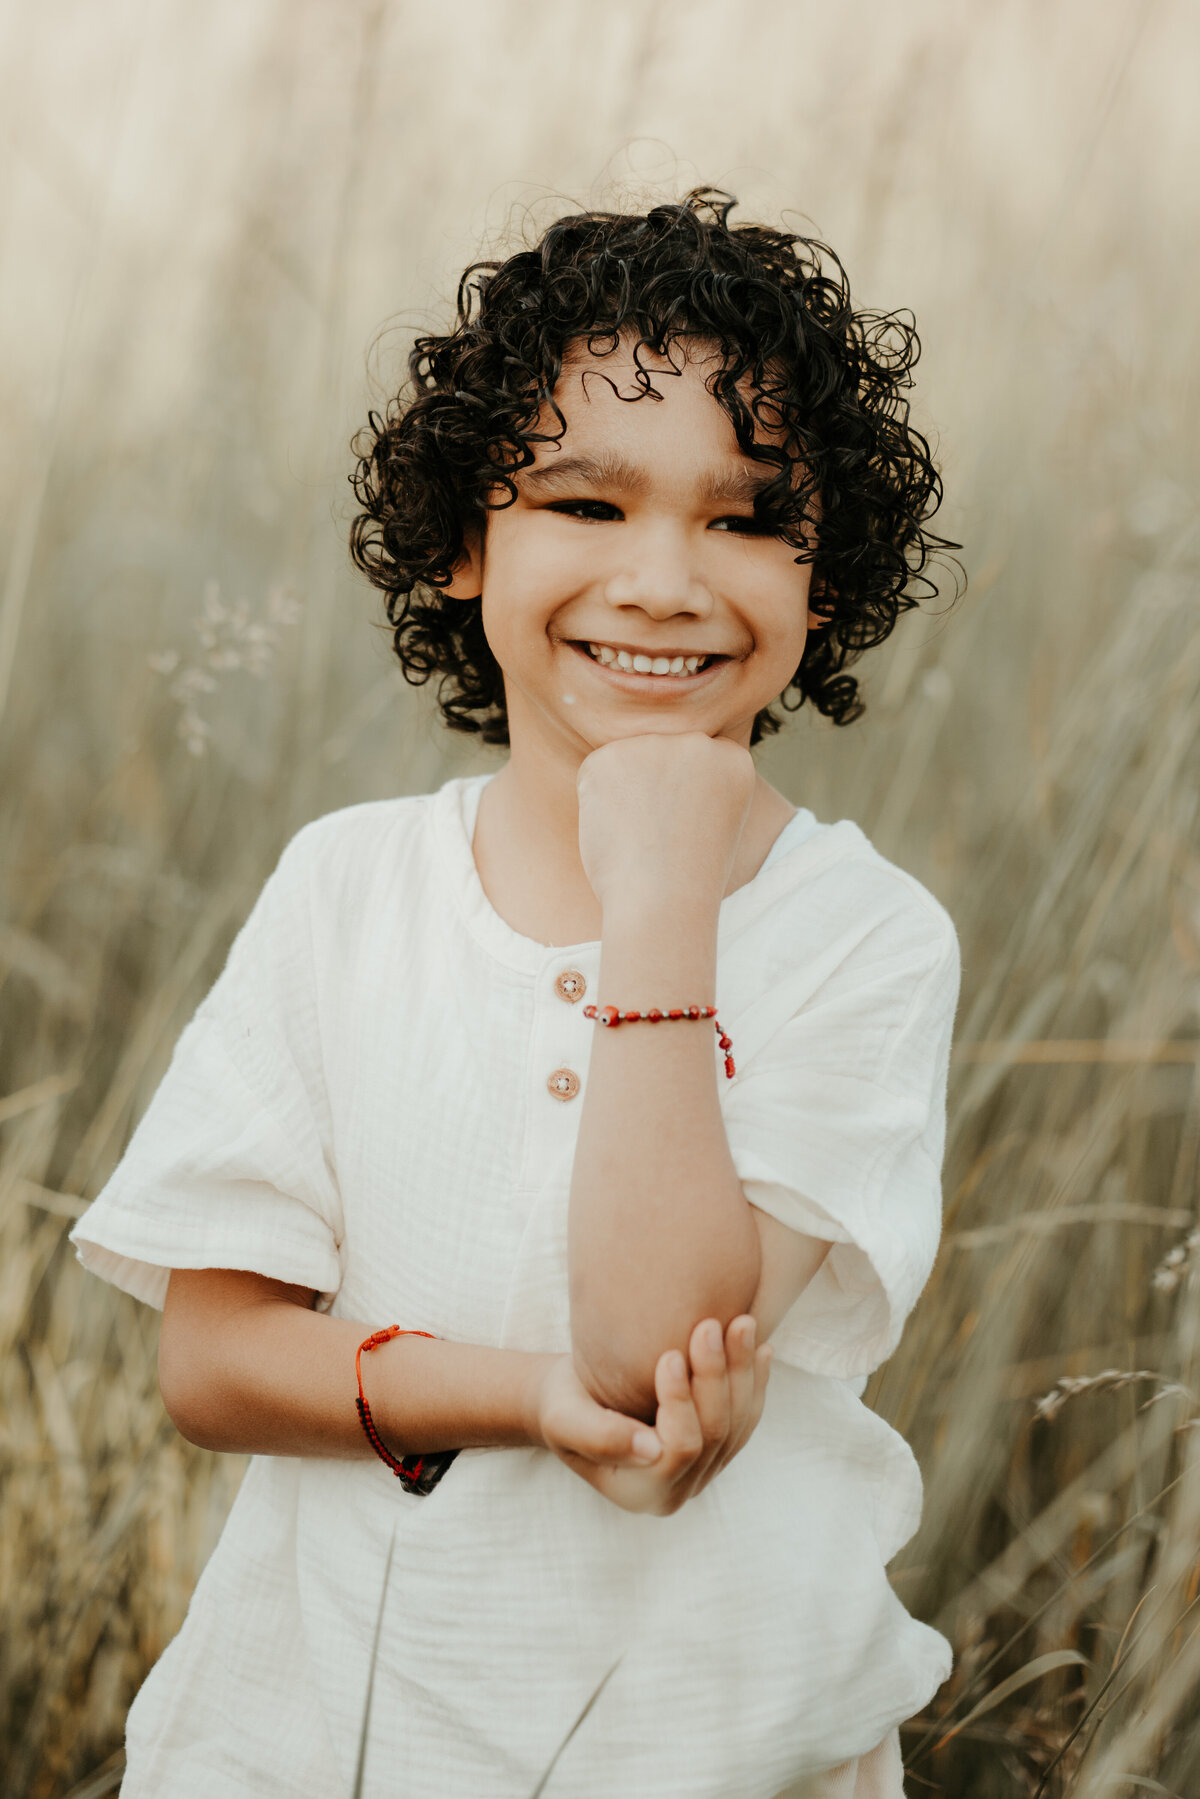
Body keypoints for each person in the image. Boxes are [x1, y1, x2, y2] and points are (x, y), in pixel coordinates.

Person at [69, 188, 963, 1798]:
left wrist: (665, 898)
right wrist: (528, 1400)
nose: (668, 580)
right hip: (311, 1747)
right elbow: (214, 1359)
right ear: (470, 541)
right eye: (585, 501)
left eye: (751, 516)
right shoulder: (349, 890)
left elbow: (650, 1358)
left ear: (828, 576)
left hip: (707, 1756)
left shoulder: (863, 937)